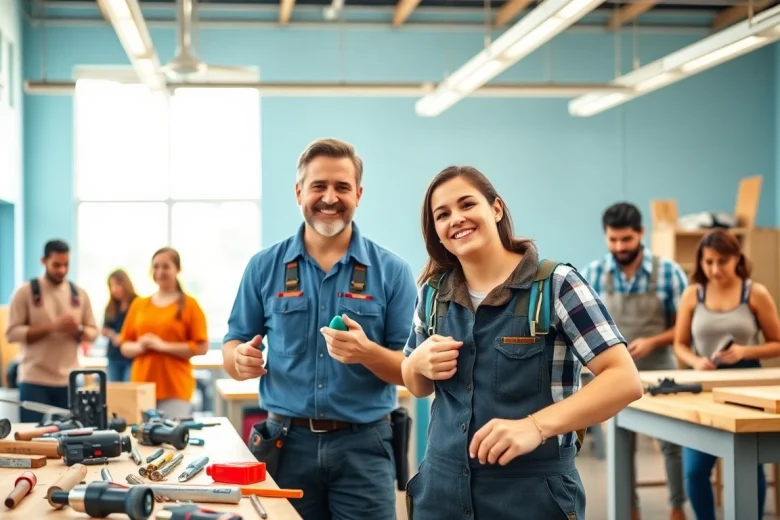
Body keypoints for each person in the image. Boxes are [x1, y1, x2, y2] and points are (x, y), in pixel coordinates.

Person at [401, 166, 643, 519]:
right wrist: (415, 364)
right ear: (436, 230)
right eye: (443, 214)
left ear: (496, 209)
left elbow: (624, 380)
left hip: (533, 496)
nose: (457, 219)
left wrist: (536, 426)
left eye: (467, 204)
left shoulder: (557, 284)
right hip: (440, 494)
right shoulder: (433, 293)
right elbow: (417, 386)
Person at [222, 138, 417, 520]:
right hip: (284, 446)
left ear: (358, 194)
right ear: (299, 192)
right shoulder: (264, 267)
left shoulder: (392, 272)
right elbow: (232, 345)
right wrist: (238, 360)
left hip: (365, 447)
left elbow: (410, 372)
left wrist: (367, 353)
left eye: (342, 187)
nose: (330, 197)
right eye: (318, 186)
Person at [581, 202, 689, 520]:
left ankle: (677, 507)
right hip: (614, 375)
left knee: (672, 443)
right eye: (613, 240)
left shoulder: (669, 273)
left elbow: (683, 331)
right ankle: (629, 510)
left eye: (626, 240)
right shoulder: (593, 275)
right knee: (621, 445)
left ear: (641, 233)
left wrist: (653, 341)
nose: (619, 247)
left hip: (661, 370)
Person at [673, 229, 780, 520]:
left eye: (722, 261)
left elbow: (777, 343)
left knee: (749, 463)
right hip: (703, 385)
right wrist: (695, 361)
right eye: (708, 262)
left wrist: (745, 352)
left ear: (737, 259)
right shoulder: (692, 294)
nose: (715, 269)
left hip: (748, 386)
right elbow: (680, 344)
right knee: (694, 471)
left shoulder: (754, 292)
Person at [4, 239, 98, 423]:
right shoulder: (25, 293)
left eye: (66, 265)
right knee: (31, 435)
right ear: (43, 261)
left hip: (68, 380)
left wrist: (77, 330)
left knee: (69, 436)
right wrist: (53, 327)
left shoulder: (79, 294)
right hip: (34, 380)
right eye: (56, 265)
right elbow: (11, 333)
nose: (62, 270)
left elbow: (93, 332)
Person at [119, 247, 208, 419]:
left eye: (166, 267)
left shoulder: (190, 305)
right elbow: (125, 346)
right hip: (141, 387)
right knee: (141, 441)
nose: (160, 272)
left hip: (175, 388)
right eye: (156, 266)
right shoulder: (139, 304)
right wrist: (141, 346)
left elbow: (201, 347)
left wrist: (163, 346)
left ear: (177, 269)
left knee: (171, 440)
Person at [102, 269, 138, 382]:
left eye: (117, 285)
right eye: (111, 286)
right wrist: (112, 335)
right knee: (114, 393)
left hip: (131, 358)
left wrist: (123, 338)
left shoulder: (137, 304)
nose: (114, 290)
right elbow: (105, 328)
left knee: (129, 393)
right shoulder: (111, 306)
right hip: (114, 356)